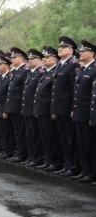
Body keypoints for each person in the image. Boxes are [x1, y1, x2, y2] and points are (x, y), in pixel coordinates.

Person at [51, 36, 80, 177]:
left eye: (63, 48)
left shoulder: (73, 65)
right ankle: (67, 164)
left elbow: (75, 89)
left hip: (67, 108)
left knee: (70, 138)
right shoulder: (60, 65)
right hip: (59, 108)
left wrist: (73, 108)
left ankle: (73, 166)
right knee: (63, 138)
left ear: (70, 50)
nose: (59, 49)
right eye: (59, 47)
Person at [71, 40, 96, 182]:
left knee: (89, 144)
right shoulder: (82, 69)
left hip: (88, 113)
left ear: (91, 53)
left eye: (83, 51)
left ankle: (91, 173)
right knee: (81, 143)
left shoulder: (94, 68)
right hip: (79, 112)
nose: (80, 53)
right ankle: (84, 170)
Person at [21, 49, 45, 166]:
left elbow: (37, 94)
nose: (29, 61)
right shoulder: (30, 73)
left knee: (35, 135)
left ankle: (37, 158)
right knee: (29, 134)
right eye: (28, 59)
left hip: (33, 109)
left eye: (32, 59)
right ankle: (31, 156)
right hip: (27, 108)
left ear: (39, 60)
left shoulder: (40, 73)